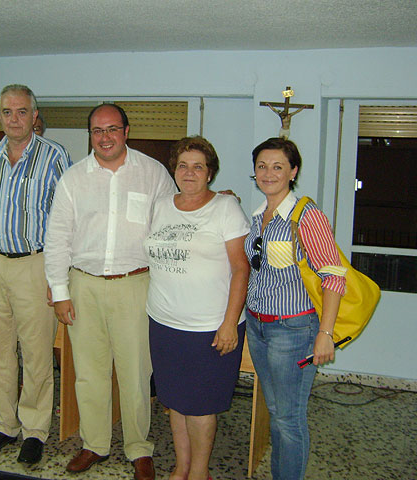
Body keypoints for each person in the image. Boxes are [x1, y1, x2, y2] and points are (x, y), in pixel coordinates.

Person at [44, 103, 176, 480]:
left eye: (112, 129)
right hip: (82, 286)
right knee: (88, 373)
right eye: (97, 130)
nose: (104, 137)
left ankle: (139, 448)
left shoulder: (152, 174)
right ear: (90, 135)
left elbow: (170, 228)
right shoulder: (73, 179)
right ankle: (94, 444)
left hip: (135, 285)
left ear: (126, 131)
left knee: (136, 373)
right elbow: (57, 239)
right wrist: (59, 291)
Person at [0, 85, 71, 464]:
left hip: (35, 263)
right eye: (6, 111)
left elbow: (67, 218)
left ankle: (34, 429)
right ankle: (3, 424)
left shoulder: (55, 155)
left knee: (35, 353)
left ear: (34, 115)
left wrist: (57, 276)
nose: (13, 118)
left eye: (21, 111)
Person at [145, 136, 250, 480]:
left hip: (209, 327)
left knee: (202, 406)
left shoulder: (225, 208)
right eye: (182, 165)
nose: (189, 173)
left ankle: (199, 472)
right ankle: (182, 467)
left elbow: (240, 268)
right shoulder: (160, 205)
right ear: (174, 170)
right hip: (164, 322)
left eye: (198, 166)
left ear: (210, 173)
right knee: (174, 400)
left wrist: (229, 323)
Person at [244, 137, 345, 480]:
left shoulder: (306, 216)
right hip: (259, 328)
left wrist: (325, 334)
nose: (268, 173)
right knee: (276, 412)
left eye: (278, 167)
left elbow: (333, 276)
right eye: (262, 166)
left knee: (289, 418)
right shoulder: (259, 215)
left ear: (293, 171)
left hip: (293, 330)